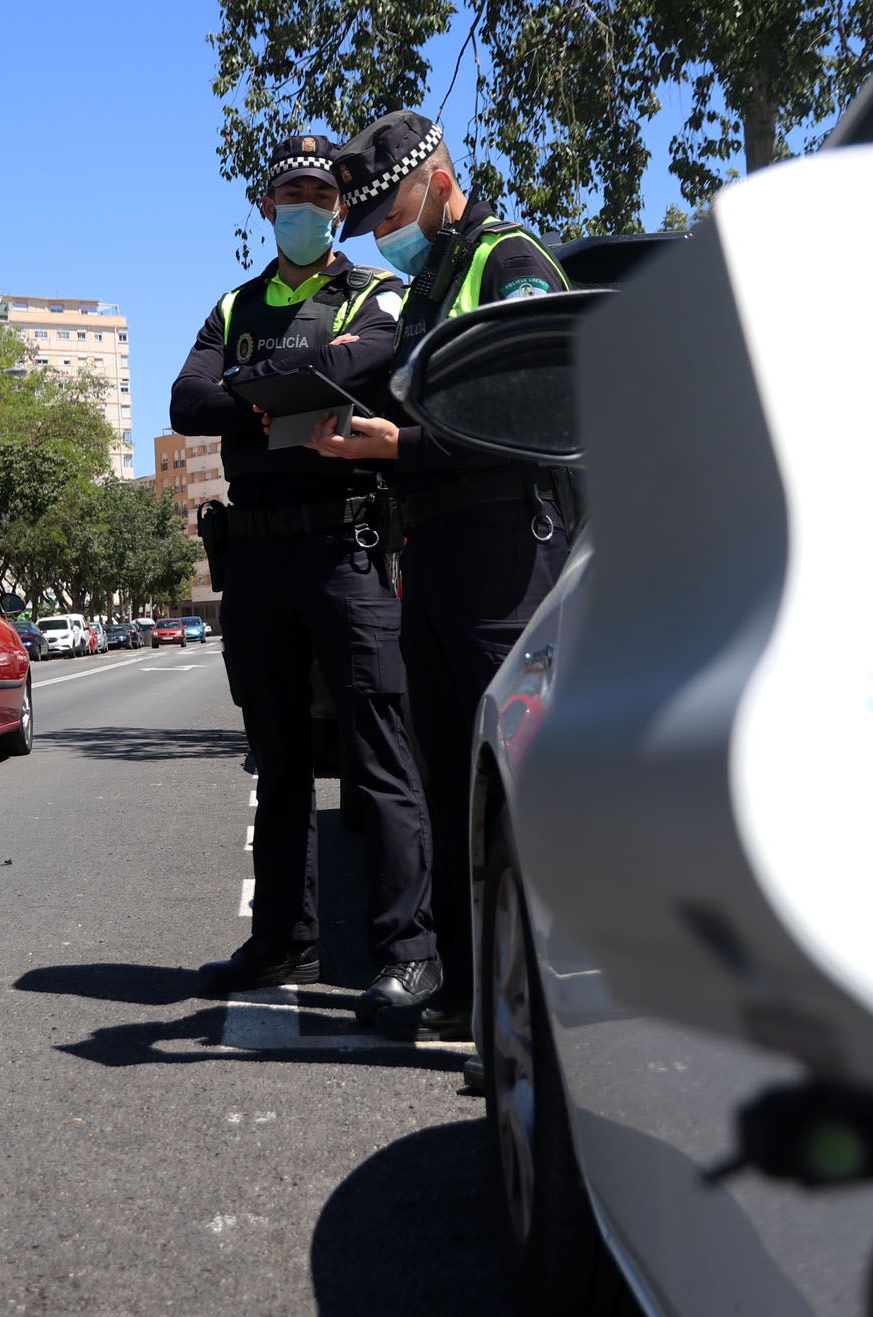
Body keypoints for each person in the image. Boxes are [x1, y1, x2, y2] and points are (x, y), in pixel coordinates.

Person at [311, 110, 573, 1042]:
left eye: (388, 209)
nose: (381, 229)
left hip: (504, 554)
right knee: (453, 787)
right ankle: (469, 996)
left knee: (515, 792)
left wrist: (400, 444)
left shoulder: (509, 262)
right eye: (371, 218)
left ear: (438, 181)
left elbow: (539, 412)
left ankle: (535, 1016)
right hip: (431, 550)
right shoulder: (423, 289)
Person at [170, 135, 438, 1014]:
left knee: (379, 751)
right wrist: (280, 386)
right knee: (277, 757)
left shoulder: (375, 290)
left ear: (337, 207)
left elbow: (365, 363)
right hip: (254, 557)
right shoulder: (234, 302)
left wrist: (251, 387)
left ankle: (407, 952)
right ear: (265, 205)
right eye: (293, 191)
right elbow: (186, 401)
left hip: (346, 550)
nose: (309, 205)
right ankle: (283, 940)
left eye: (323, 195)